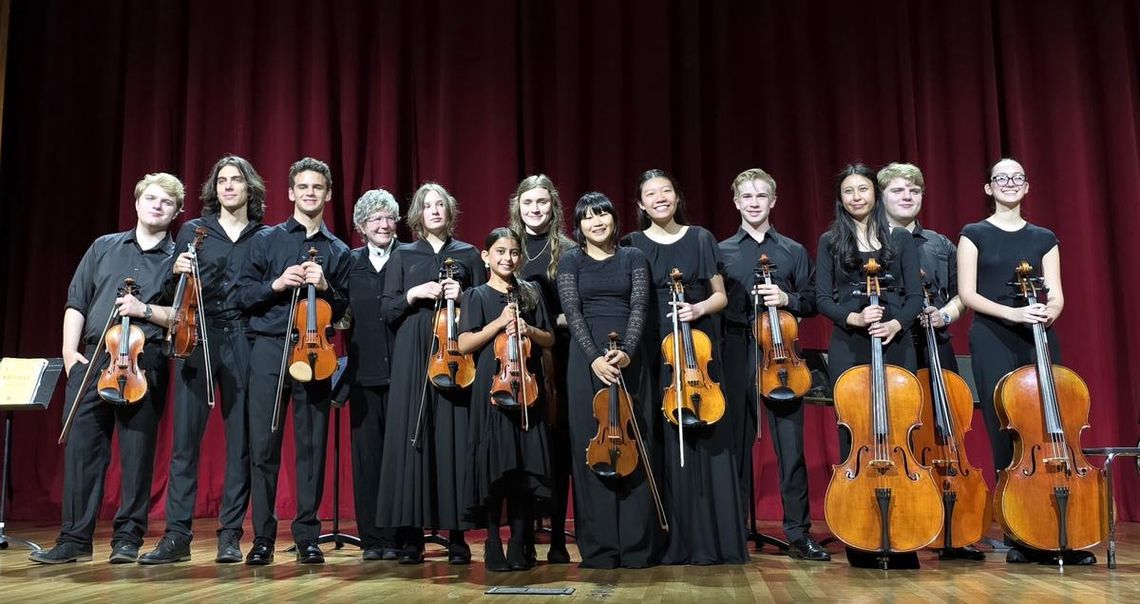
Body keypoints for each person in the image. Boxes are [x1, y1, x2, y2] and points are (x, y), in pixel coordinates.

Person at [30, 173, 183, 564]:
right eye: (151, 198)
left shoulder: (178, 259)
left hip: (142, 362)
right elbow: (77, 301)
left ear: (177, 211)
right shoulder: (103, 246)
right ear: (136, 203)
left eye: (167, 202)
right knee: (83, 452)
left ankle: (127, 539)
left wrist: (144, 310)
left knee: (136, 454)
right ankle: (73, 540)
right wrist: (68, 353)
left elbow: (182, 319)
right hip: (92, 358)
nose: (157, 205)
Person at [957, 158, 1093, 566]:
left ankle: (1060, 527)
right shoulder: (973, 234)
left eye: (1017, 178)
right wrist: (1014, 313)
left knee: (1050, 421)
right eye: (1001, 178)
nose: (1010, 184)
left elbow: (1057, 293)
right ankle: (1019, 532)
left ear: (1027, 187)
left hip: (1038, 333)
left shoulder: (1044, 237)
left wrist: (1050, 310)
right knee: (1007, 429)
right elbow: (968, 295)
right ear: (989, 188)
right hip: (993, 336)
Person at [138, 156, 266, 565]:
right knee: (184, 445)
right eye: (222, 180)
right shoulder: (194, 230)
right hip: (197, 338)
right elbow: (164, 294)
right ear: (215, 189)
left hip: (244, 340)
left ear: (249, 188)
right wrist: (175, 270)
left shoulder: (264, 236)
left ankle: (230, 536)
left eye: (236, 180)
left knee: (240, 444)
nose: (229, 186)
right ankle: (177, 536)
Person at [624, 169, 747, 565]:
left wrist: (696, 308)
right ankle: (666, 540)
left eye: (666, 191)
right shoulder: (632, 245)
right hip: (653, 347)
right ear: (641, 204)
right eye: (650, 194)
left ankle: (714, 541)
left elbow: (720, 297)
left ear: (677, 197)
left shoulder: (701, 237)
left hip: (698, 347)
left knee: (707, 438)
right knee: (660, 434)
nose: (660, 198)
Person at [235, 157, 352, 565]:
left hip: (317, 351)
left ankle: (307, 537)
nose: (309, 193)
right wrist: (277, 283)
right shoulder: (265, 241)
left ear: (328, 194)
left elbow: (344, 313)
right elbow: (242, 295)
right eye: (302, 186)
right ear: (290, 192)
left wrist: (328, 287)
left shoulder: (339, 251)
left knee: (311, 445)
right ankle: (263, 538)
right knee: (263, 444)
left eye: (317, 187)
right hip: (269, 348)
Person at [814, 163, 923, 568]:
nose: (856, 197)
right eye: (848, 191)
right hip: (850, 345)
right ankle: (859, 536)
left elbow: (915, 296)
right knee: (855, 436)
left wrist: (896, 322)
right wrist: (853, 318)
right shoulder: (830, 241)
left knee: (900, 432)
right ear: (840, 199)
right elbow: (823, 297)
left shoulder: (900, 239)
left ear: (874, 194)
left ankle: (906, 533)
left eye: (862, 189)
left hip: (894, 343)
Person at [717, 168, 828, 561]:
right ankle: (733, 531)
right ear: (736, 202)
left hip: (783, 359)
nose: (753, 203)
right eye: (746, 196)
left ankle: (798, 534)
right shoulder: (721, 251)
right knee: (735, 446)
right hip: (736, 352)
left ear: (773, 201)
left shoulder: (793, 251)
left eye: (761, 196)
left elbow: (814, 301)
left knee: (791, 450)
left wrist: (786, 299)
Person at [878, 162, 983, 561]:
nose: (907, 197)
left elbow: (961, 294)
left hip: (935, 343)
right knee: (901, 437)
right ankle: (903, 526)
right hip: (895, 345)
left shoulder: (939, 243)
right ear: (882, 196)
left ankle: (952, 531)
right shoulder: (872, 243)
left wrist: (945, 315)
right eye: (899, 191)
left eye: (914, 191)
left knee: (945, 432)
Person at [376, 182, 485, 564]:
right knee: (413, 436)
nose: (435, 211)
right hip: (413, 351)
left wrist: (465, 294)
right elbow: (387, 311)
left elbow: (485, 310)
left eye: (441, 205)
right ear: (418, 215)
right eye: (427, 206)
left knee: (454, 437)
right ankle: (411, 537)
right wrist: (414, 294)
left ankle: (457, 534)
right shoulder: (403, 255)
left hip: (456, 353)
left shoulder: (468, 254)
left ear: (450, 211)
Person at [557, 191, 660, 569]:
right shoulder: (571, 261)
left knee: (635, 446)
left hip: (630, 361)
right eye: (588, 217)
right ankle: (599, 549)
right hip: (586, 363)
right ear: (579, 225)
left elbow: (639, 306)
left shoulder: (633, 256)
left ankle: (636, 547)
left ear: (615, 219)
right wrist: (595, 359)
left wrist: (628, 351)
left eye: (603, 215)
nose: (597, 222)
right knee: (592, 449)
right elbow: (573, 310)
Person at [457, 227, 555, 571]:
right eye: (500, 252)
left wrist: (527, 328)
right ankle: (493, 542)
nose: (507, 259)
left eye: (514, 253)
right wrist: (498, 324)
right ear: (486, 257)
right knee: (494, 472)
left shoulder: (530, 295)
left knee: (522, 473)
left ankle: (518, 542)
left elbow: (549, 339)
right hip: (493, 391)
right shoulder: (476, 295)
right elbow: (464, 344)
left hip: (527, 390)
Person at [329, 189, 414, 561]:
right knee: (368, 462)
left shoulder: (409, 258)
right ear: (362, 226)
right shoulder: (350, 262)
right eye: (375, 219)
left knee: (405, 459)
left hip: (406, 374)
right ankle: (375, 540)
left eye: (389, 217)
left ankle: (406, 538)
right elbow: (338, 313)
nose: (383, 224)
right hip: (364, 376)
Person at [507, 174, 575, 563]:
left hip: (557, 359)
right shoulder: (508, 246)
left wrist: (554, 322)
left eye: (543, 203)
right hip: (514, 357)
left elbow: (575, 307)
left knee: (559, 445)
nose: (535, 210)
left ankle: (559, 540)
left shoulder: (567, 250)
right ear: (518, 205)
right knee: (522, 445)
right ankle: (524, 536)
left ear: (554, 207)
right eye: (528, 203)